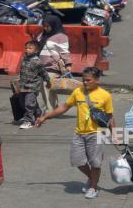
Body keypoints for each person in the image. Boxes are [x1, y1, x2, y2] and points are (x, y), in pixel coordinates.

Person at [36, 67, 115, 199]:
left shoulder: (105, 95)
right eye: (83, 80)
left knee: (95, 163)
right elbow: (63, 107)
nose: (85, 82)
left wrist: (116, 134)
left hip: (97, 133)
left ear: (97, 80)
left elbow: (110, 116)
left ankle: (93, 187)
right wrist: (45, 117)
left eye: (88, 80)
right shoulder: (78, 92)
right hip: (79, 133)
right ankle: (92, 178)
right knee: (78, 161)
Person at [38, 15, 72, 111]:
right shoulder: (42, 35)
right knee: (46, 88)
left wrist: (68, 64)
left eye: (47, 26)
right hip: (41, 66)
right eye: (43, 26)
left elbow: (64, 52)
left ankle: (50, 110)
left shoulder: (61, 36)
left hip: (53, 66)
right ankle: (53, 107)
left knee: (46, 85)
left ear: (54, 25)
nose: (45, 28)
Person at [18, 41, 51, 129]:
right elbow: (22, 71)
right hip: (23, 86)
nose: (27, 50)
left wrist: (48, 81)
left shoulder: (37, 62)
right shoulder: (24, 59)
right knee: (22, 102)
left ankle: (29, 121)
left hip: (32, 87)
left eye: (30, 48)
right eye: (26, 48)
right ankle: (38, 113)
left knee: (28, 103)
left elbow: (43, 72)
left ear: (36, 50)